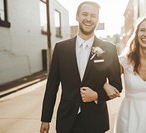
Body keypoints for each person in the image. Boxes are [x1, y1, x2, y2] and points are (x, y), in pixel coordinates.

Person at [40, 1, 122, 133]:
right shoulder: (61, 49)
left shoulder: (109, 49)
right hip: (66, 121)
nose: (88, 19)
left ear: (97, 19)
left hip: (96, 122)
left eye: (93, 15)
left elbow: (117, 86)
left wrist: (96, 95)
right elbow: (52, 86)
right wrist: (46, 118)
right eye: (84, 14)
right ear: (77, 16)